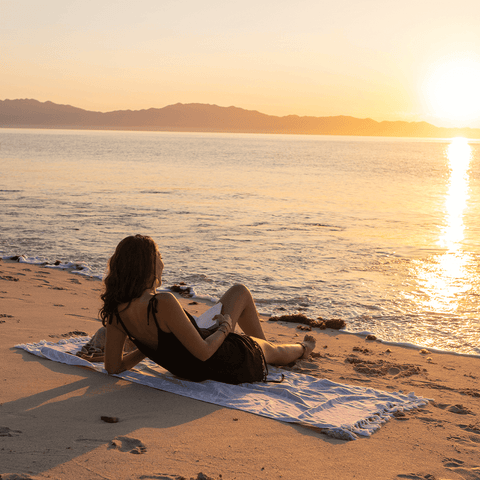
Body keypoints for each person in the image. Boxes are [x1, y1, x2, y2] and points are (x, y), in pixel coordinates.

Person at [100, 235, 316, 384]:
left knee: (239, 291)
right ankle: (303, 348)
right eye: (160, 257)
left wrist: (148, 348)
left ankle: (265, 351)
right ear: (148, 266)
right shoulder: (162, 302)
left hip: (189, 364)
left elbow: (113, 367)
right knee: (274, 351)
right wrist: (225, 327)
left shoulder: (116, 313)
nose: (163, 263)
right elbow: (203, 353)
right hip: (223, 362)